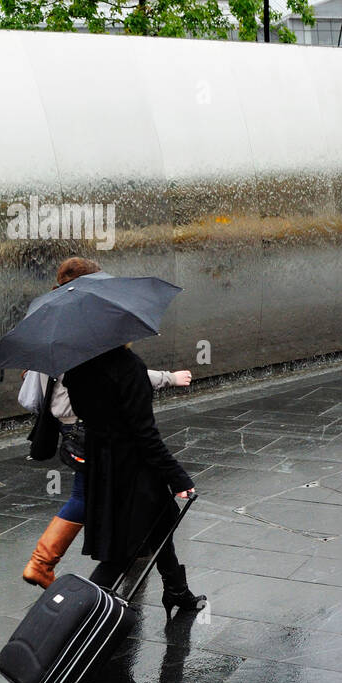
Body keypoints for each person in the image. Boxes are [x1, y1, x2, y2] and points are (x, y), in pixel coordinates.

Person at [21, 257, 193, 589]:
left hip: (80, 429)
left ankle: (175, 589)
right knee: (88, 499)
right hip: (92, 435)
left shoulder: (57, 332)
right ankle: (43, 564)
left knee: (105, 502)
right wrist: (168, 378)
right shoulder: (104, 355)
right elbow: (134, 400)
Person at [61, 343, 205, 618]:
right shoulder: (129, 367)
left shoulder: (78, 368)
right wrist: (178, 477)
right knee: (121, 553)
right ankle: (79, 616)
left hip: (102, 467)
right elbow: (146, 435)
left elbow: (85, 413)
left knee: (160, 523)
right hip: (133, 471)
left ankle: (176, 590)